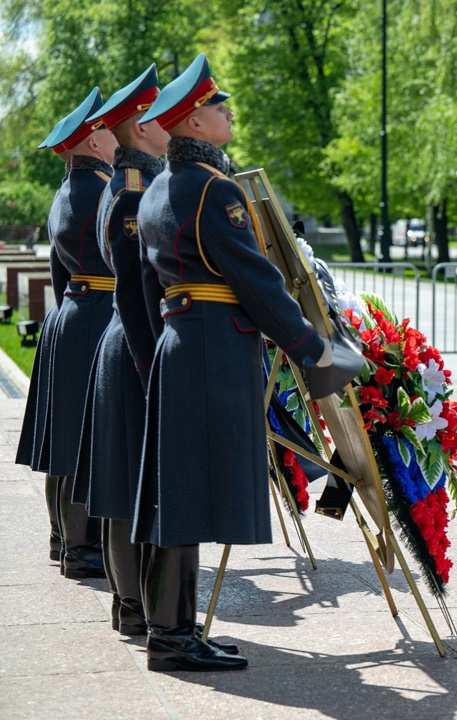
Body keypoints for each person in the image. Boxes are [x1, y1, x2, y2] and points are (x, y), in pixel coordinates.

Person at [133, 52, 347, 672]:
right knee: (189, 495)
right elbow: (256, 279)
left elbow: (149, 295)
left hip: (181, 346)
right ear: (193, 124)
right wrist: (313, 351)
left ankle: (170, 629)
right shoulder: (213, 189)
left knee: (175, 494)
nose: (227, 113)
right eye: (217, 107)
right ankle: (172, 639)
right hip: (214, 351)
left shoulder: (157, 192)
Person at [72, 64, 170, 638]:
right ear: (139, 128)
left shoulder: (131, 184)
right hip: (134, 340)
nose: (165, 124)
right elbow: (135, 288)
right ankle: (136, 607)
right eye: (155, 116)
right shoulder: (133, 192)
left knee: (125, 480)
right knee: (135, 484)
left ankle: (131, 607)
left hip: (123, 336)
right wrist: (149, 363)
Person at [16, 87, 118, 579]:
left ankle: (65, 538)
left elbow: (60, 271)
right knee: (84, 436)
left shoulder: (68, 191)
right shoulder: (103, 191)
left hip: (75, 308)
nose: (115, 134)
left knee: (67, 435)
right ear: (92, 143)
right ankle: (82, 548)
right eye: (106, 129)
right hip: (97, 311)